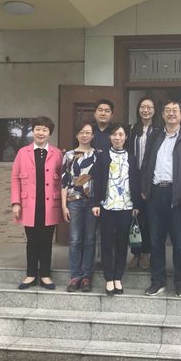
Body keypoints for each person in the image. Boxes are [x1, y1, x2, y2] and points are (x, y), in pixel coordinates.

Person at [141, 100, 181, 297]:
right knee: (155, 241)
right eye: (167, 110)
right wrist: (144, 188)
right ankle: (157, 281)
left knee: (179, 243)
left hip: (178, 195)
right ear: (163, 115)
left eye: (175, 110)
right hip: (155, 193)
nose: (171, 113)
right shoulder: (155, 136)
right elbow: (146, 163)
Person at [11, 116, 62, 290]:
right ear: (33, 131)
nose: (41, 132)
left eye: (45, 130)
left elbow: (63, 180)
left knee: (47, 240)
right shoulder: (22, 153)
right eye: (38, 129)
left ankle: (45, 275)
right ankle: (31, 274)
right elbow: (15, 179)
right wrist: (16, 202)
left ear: (50, 133)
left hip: (50, 205)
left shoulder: (57, 153)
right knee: (32, 240)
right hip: (29, 205)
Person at [92, 124, 140, 295]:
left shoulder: (131, 158)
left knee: (122, 243)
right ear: (110, 138)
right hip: (107, 206)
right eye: (114, 135)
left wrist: (136, 205)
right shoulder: (102, 157)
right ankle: (109, 278)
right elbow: (97, 180)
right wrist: (95, 203)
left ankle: (118, 276)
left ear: (126, 137)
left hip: (126, 206)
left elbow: (135, 182)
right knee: (106, 242)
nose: (117, 138)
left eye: (121, 134)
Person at [61, 122, 100, 293]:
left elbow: (101, 180)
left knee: (90, 239)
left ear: (92, 136)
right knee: (75, 239)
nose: (85, 135)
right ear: (77, 135)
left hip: (92, 202)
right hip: (74, 201)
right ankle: (75, 276)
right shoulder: (68, 155)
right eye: (82, 132)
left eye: (88, 132)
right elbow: (64, 182)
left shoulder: (98, 154)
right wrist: (64, 206)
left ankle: (86, 277)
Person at [127, 96, 160, 271]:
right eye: (142, 107)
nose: (145, 110)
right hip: (134, 177)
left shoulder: (159, 130)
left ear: (155, 110)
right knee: (135, 217)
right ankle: (136, 253)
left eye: (149, 107)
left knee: (148, 217)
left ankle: (146, 252)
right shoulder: (132, 129)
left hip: (151, 178)